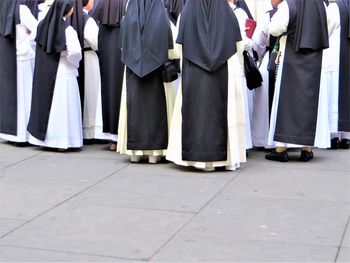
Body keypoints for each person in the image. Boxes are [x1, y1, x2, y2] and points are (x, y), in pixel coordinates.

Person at [166, 0, 246, 172]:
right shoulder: (228, 13)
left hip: (194, 69)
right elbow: (238, 46)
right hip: (224, 68)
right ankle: (223, 159)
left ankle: (196, 158)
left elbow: (179, 46)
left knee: (194, 110)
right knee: (224, 113)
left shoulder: (186, 12)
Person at [265, 0, 330, 162]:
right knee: (309, 101)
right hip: (315, 58)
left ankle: (281, 148)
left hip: (291, 56)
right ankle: (306, 149)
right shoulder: (322, 4)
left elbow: (274, 29)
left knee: (286, 100)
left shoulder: (289, 4)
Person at [117, 0, 175, 164]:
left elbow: (123, 45)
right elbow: (172, 47)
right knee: (157, 108)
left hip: (132, 70)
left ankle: (135, 151)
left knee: (134, 107)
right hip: (157, 72)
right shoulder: (161, 16)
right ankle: (154, 153)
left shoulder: (129, 16)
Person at [28, 0, 83, 151]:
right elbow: (75, 52)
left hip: (45, 72)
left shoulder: (41, 25)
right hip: (65, 72)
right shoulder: (68, 30)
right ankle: (63, 141)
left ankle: (48, 140)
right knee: (64, 108)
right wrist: (67, 57)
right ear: (68, 10)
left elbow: (32, 41)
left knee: (49, 106)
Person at [0, 0, 38, 145]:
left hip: (7, 58)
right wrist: (28, 38)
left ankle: (11, 134)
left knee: (10, 97)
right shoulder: (22, 9)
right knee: (25, 97)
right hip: (24, 58)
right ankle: (23, 135)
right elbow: (37, 29)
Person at [92, 0, 127, 151]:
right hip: (123, 51)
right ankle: (120, 136)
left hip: (107, 49)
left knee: (109, 89)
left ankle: (113, 136)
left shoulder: (103, 5)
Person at [251, 0, 281, 149]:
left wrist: (259, 56)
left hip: (271, 60)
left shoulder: (269, 16)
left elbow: (258, 43)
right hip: (292, 62)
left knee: (264, 103)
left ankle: (264, 140)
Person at [228, 0, 254, 151]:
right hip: (237, 63)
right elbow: (245, 42)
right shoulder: (239, 13)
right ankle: (242, 143)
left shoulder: (238, 13)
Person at [324, 0, 350, 150]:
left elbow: (324, 30)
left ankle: (333, 135)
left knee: (333, 94)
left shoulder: (334, 8)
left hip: (335, 57)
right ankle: (347, 137)